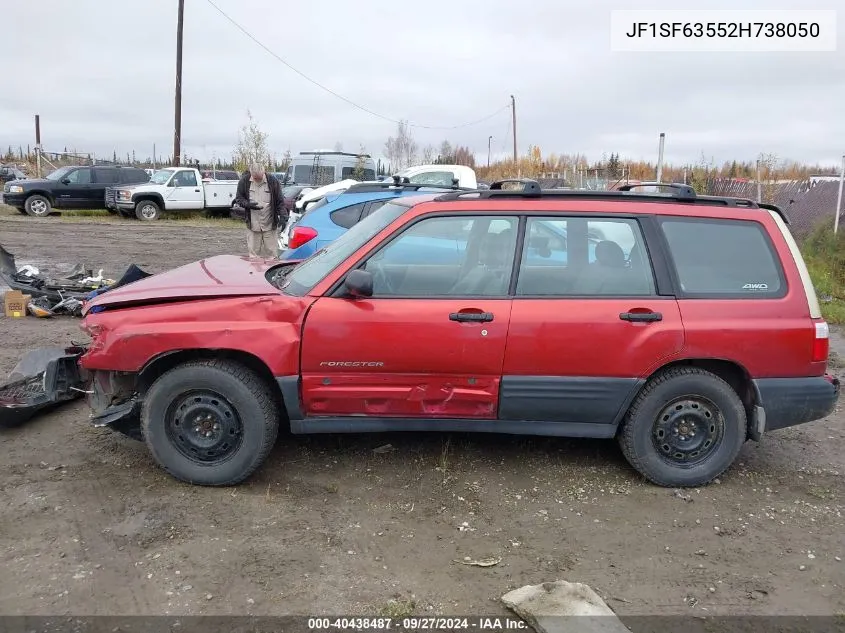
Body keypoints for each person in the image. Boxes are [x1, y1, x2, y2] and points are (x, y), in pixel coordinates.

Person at [233, 163, 286, 258]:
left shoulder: (273, 181)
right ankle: (254, 272)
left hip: (269, 225)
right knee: (253, 256)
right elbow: (239, 198)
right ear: (251, 174)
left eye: (259, 177)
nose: (257, 179)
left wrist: (283, 216)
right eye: (255, 178)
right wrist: (248, 205)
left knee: (273, 255)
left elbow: (280, 201)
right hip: (253, 225)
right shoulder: (244, 181)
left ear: (264, 172)